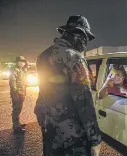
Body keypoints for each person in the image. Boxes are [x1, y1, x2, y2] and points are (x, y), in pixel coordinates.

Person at [34, 15, 101, 156]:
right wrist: (95, 139)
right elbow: (84, 102)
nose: (85, 43)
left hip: (50, 127)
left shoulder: (43, 56)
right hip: (73, 136)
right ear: (78, 35)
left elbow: (42, 91)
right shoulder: (75, 58)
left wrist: (43, 119)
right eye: (86, 39)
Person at [9, 56, 27, 133]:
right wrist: (16, 91)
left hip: (22, 92)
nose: (22, 63)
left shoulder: (22, 70)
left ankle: (17, 124)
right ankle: (16, 127)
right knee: (16, 109)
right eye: (20, 61)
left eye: (23, 61)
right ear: (17, 62)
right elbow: (12, 82)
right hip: (17, 93)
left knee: (19, 109)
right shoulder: (15, 70)